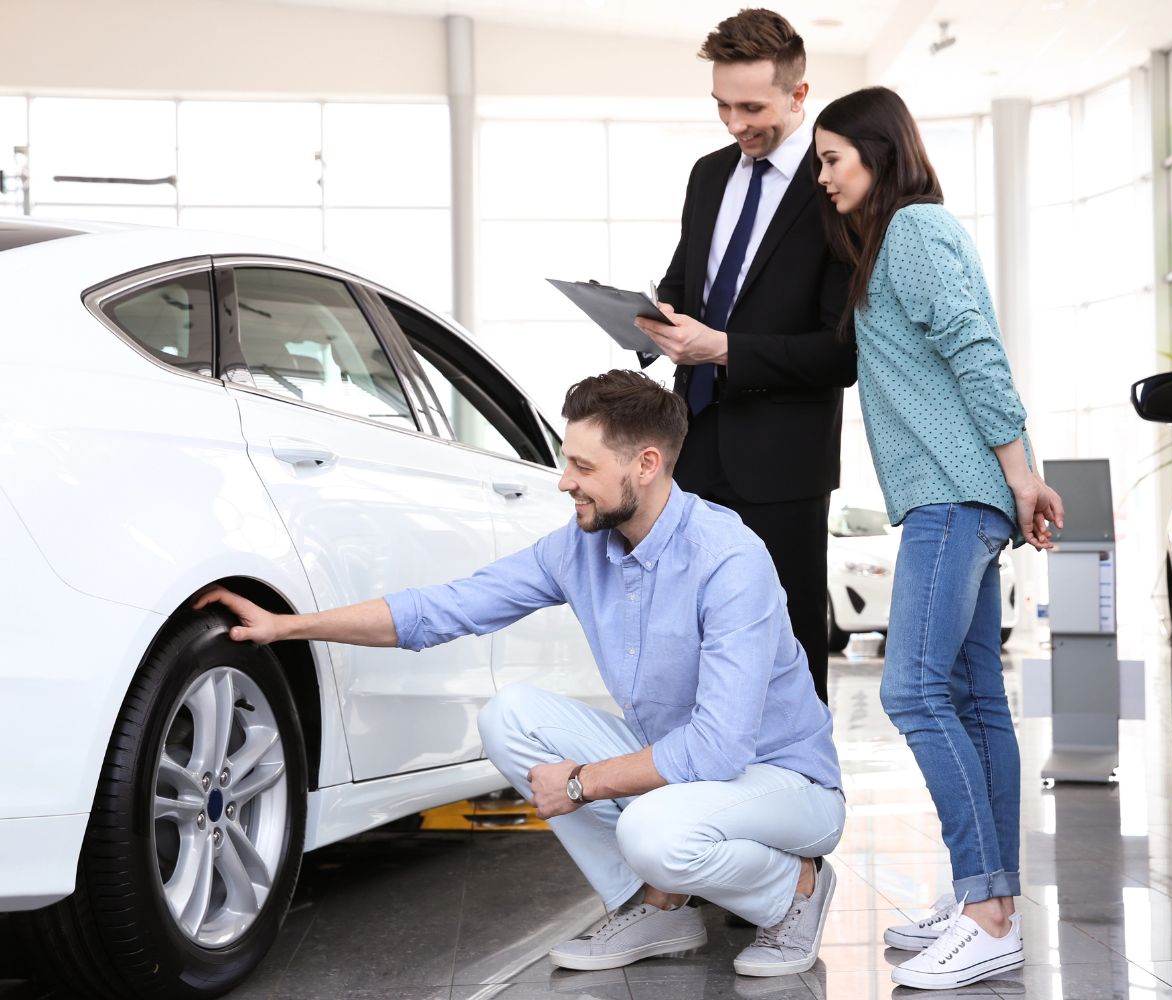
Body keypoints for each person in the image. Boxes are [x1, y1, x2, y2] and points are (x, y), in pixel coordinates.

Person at [197, 370, 846, 979]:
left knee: (651, 830)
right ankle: (658, 909)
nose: (565, 482)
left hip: (785, 783)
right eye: (568, 462)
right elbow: (444, 608)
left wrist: (584, 781)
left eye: (583, 466)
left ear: (645, 465)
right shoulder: (579, 547)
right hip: (689, 775)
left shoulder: (728, 558)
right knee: (510, 718)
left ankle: (798, 888)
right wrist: (287, 626)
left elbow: (720, 746)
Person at [811, 87, 1064, 991]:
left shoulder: (914, 232)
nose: (824, 175)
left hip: (955, 496)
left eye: (834, 157)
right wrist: (1017, 476)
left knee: (915, 690)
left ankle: (987, 908)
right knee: (970, 696)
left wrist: (1021, 471)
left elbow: (975, 349)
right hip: (958, 494)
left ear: (879, 152)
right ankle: (986, 906)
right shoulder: (900, 238)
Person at [633, 8, 855, 704]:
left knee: (785, 645)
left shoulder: (835, 190)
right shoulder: (707, 177)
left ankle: (802, 798)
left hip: (783, 463)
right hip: (693, 447)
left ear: (798, 94)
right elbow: (683, 287)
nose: (734, 123)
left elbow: (840, 352)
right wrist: (651, 320)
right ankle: (703, 798)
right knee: (692, 640)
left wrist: (727, 349)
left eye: (751, 107)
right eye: (722, 105)